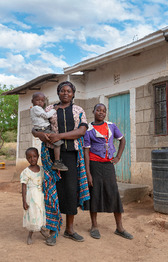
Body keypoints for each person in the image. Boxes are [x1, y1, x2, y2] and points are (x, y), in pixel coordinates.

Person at [32, 81, 90, 246]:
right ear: (58, 93)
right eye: (62, 91)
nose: (65, 93)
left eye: (69, 91)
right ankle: (53, 231)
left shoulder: (79, 110)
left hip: (71, 155)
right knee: (53, 191)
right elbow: (35, 127)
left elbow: (82, 130)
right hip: (51, 155)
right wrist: (41, 136)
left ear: (73, 94)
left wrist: (60, 136)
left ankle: (69, 229)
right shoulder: (49, 109)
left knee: (71, 191)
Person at [83, 103, 133, 240]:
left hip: (108, 166)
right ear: (93, 111)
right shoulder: (88, 129)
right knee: (95, 193)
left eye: (103, 111)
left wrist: (117, 157)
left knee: (113, 193)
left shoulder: (111, 126)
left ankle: (120, 227)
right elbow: (86, 152)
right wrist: (88, 173)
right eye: (98, 110)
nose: (101, 113)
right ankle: (94, 226)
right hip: (94, 165)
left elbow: (122, 140)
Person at [30, 92, 68, 171]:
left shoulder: (37, 109)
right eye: (37, 100)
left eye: (42, 100)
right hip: (44, 129)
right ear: (32, 101)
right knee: (57, 141)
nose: (40, 102)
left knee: (54, 142)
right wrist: (54, 110)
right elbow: (47, 115)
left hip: (43, 129)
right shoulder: (36, 108)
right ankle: (57, 162)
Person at [20, 147, 49, 245]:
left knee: (40, 213)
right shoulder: (26, 172)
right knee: (33, 215)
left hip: (40, 196)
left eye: (34, 156)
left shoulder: (42, 169)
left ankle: (41, 230)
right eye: (29, 157)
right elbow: (23, 187)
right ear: (26, 158)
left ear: (38, 157)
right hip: (31, 197)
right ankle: (30, 235)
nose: (32, 159)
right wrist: (24, 201)